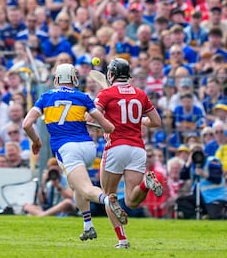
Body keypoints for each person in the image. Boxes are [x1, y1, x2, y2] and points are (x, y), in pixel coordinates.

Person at [23, 63, 126, 245]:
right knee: (75, 185)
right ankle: (88, 226)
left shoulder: (46, 97)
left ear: (56, 80)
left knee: (86, 188)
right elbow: (108, 126)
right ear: (74, 79)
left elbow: (26, 124)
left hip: (67, 148)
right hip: (88, 147)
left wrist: (37, 141)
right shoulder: (83, 97)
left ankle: (108, 201)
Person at [95, 58, 162, 249]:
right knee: (132, 201)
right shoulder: (140, 94)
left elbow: (92, 114)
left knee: (109, 196)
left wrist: (103, 121)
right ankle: (146, 183)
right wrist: (139, 122)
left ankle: (122, 240)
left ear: (111, 74)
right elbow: (156, 121)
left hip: (116, 147)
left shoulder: (106, 93)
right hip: (137, 149)